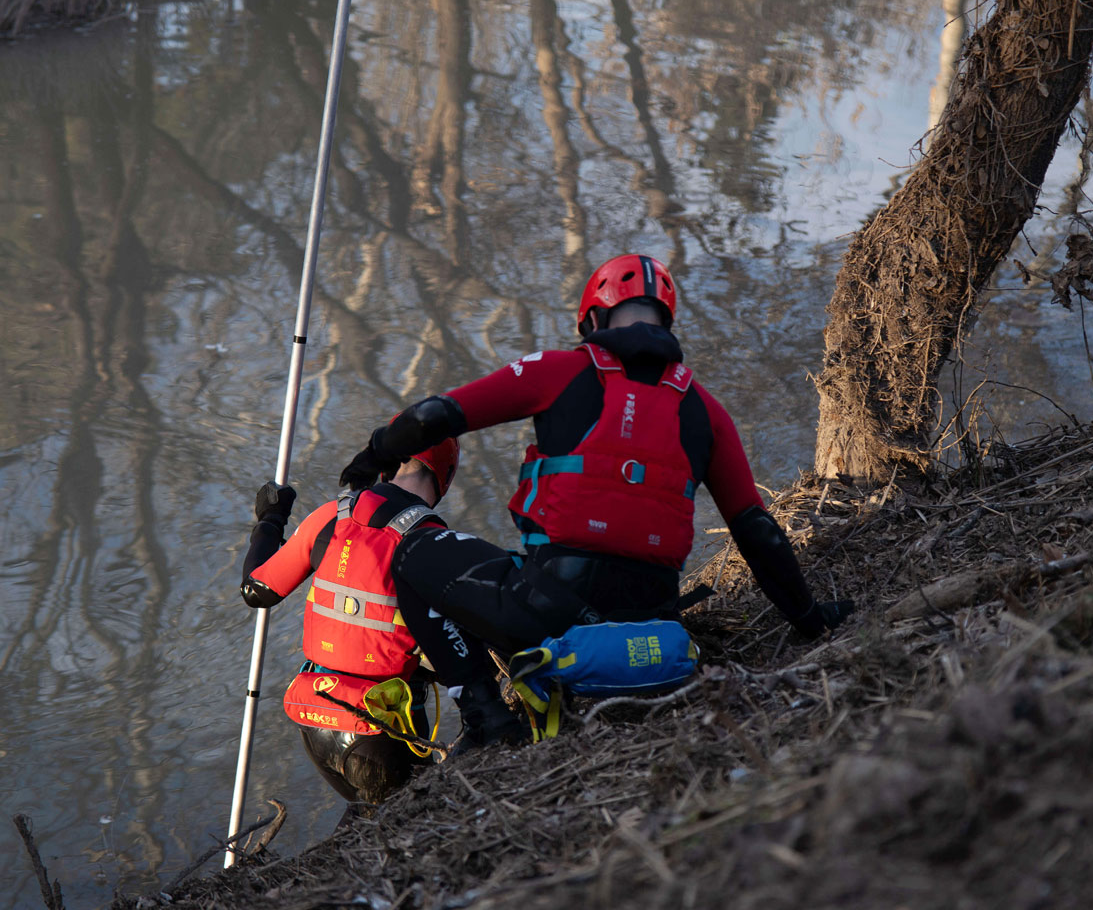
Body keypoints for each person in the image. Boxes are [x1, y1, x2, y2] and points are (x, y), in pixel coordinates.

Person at [339, 253, 853, 747]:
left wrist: (370, 459)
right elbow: (757, 532)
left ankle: (487, 718)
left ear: (592, 320)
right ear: (667, 323)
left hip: (547, 615)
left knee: (411, 554)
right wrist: (811, 620)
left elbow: (431, 418)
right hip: (654, 628)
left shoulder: (560, 370)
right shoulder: (707, 411)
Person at [238, 440, 464, 802]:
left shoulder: (330, 515)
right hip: (380, 729)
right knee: (401, 820)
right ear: (447, 477)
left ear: (390, 467)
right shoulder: (429, 538)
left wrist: (270, 519)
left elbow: (256, 591)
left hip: (316, 719)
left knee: (369, 820)